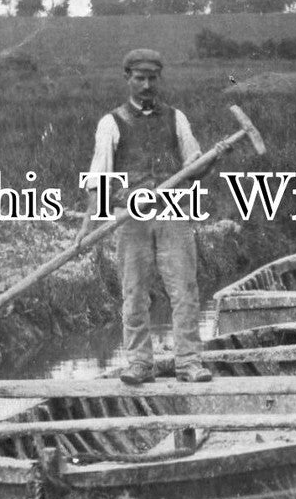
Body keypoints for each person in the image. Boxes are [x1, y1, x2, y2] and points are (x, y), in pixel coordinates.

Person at [79, 49, 212, 383]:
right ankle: (139, 364)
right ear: (128, 78)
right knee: (134, 292)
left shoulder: (175, 118)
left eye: (152, 78)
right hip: (131, 219)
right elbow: (99, 178)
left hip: (174, 214)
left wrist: (216, 155)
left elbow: (193, 169)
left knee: (184, 289)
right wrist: (87, 226)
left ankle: (189, 363)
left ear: (159, 78)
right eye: (140, 78)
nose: (147, 84)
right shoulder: (111, 122)